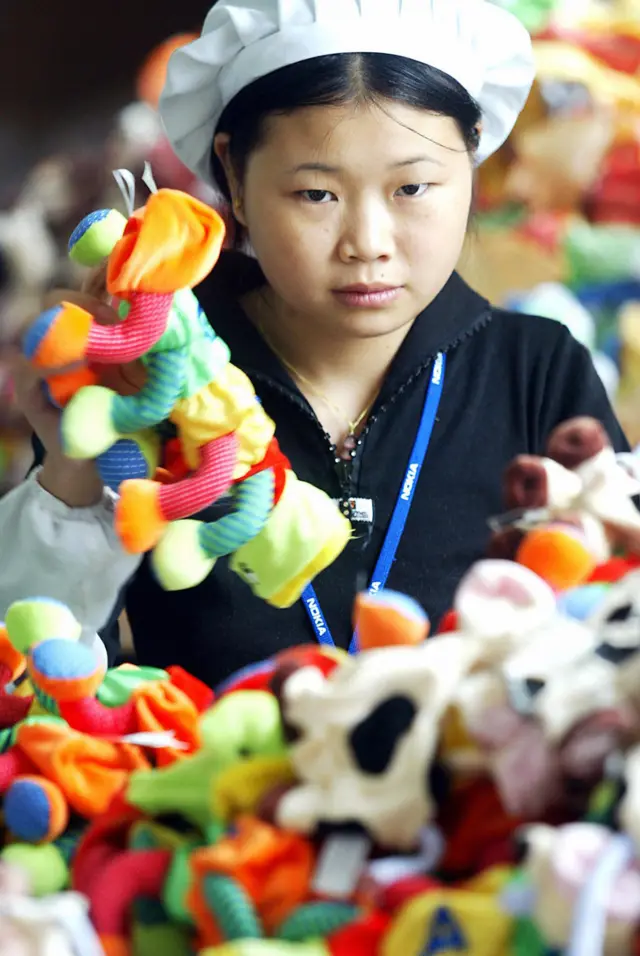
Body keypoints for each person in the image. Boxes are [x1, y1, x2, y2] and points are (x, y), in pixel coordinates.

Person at [0, 0, 629, 688]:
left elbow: (614, 627)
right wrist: (67, 476)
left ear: (472, 158)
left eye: (412, 187)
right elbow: (34, 676)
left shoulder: (538, 371)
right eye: (316, 195)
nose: (368, 244)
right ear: (234, 178)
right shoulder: (153, 374)